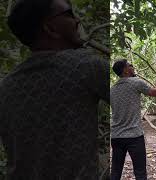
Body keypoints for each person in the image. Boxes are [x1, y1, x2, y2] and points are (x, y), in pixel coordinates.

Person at [0, 0, 109, 179]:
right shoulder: (86, 66)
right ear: (50, 29)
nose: (77, 21)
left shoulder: (6, 86)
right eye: (69, 14)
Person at [110, 59, 156, 180]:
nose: (133, 67)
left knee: (116, 172)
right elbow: (155, 92)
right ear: (125, 70)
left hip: (116, 136)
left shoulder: (112, 90)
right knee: (140, 173)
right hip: (134, 137)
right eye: (130, 65)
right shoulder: (135, 82)